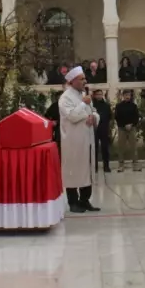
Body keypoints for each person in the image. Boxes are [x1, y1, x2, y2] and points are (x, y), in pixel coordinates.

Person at [59, 66, 99, 212]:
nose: (85, 81)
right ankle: (73, 202)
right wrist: (84, 104)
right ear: (73, 81)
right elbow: (72, 116)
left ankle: (85, 200)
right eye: (82, 79)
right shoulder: (65, 97)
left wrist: (93, 118)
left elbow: (94, 112)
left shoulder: (83, 95)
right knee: (73, 171)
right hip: (73, 141)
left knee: (86, 170)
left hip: (87, 139)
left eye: (84, 78)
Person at [113, 89, 141, 172]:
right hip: (122, 128)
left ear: (130, 96)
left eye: (128, 95)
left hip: (132, 128)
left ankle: (135, 165)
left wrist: (131, 124)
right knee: (121, 147)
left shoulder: (133, 106)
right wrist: (124, 125)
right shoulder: (119, 106)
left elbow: (136, 117)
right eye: (125, 95)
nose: (127, 96)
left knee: (134, 147)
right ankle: (121, 165)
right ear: (123, 96)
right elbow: (117, 117)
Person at [92, 88, 112, 173]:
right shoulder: (91, 105)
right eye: (98, 94)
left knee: (105, 148)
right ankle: (94, 167)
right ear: (95, 95)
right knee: (94, 149)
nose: (99, 96)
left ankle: (106, 166)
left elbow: (110, 116)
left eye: (100, 94)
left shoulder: (106, 105)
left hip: (104, 129)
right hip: (94, 130)